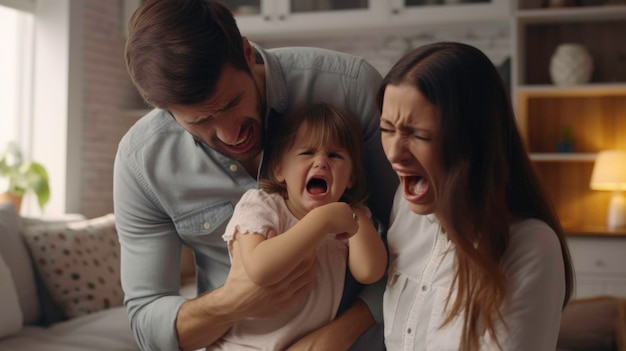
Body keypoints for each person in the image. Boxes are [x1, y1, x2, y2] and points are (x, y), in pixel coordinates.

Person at [115, 0, 397, 350]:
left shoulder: (351, 89)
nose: (231, 135)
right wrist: (234, 301)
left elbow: (417, 243)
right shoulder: (141, 162)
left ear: (247, 53)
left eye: (231, 103)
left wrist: (334, 336)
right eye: (200, 122)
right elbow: (148, 320)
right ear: (165, 111)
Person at [377, 42, 574, 351]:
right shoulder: (404, 207)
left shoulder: (530, 247)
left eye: (418, 135)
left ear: (470, 140)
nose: (394, 153)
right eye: (386, 129)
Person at [213, 103, 387, 350]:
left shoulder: (348, 218)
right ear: (279, 169)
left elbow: (370, 271)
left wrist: (355, 214)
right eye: (307, 153)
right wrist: (320, 221)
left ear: (350, 179)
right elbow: (260, 270)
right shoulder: (262, 205)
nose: (321, 163)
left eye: (335, 156)